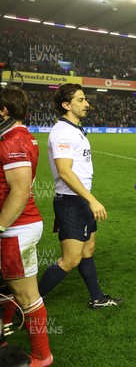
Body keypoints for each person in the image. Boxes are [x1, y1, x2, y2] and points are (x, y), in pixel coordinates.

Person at [38, 83, 123, 309]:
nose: (87, 104)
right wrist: (92, 200)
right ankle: (29, 302)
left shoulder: (74, 129)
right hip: (70, 202)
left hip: (81, 199)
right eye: (80, 100)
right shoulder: (63, 132)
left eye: (85, 99)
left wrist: (88, 199)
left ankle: (97, 298)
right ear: (66, 105)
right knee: (70, 259)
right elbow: (65, 172)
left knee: (88, 249)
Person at [0, 86, 53, 366]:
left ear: (4, 111)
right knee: (9, 289)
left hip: (14, 229)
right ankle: (4, 338)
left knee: (26, 295)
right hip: (16, 228)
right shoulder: (18, 137)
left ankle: (41, 356)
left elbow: (19, 192)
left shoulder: (13, 140)